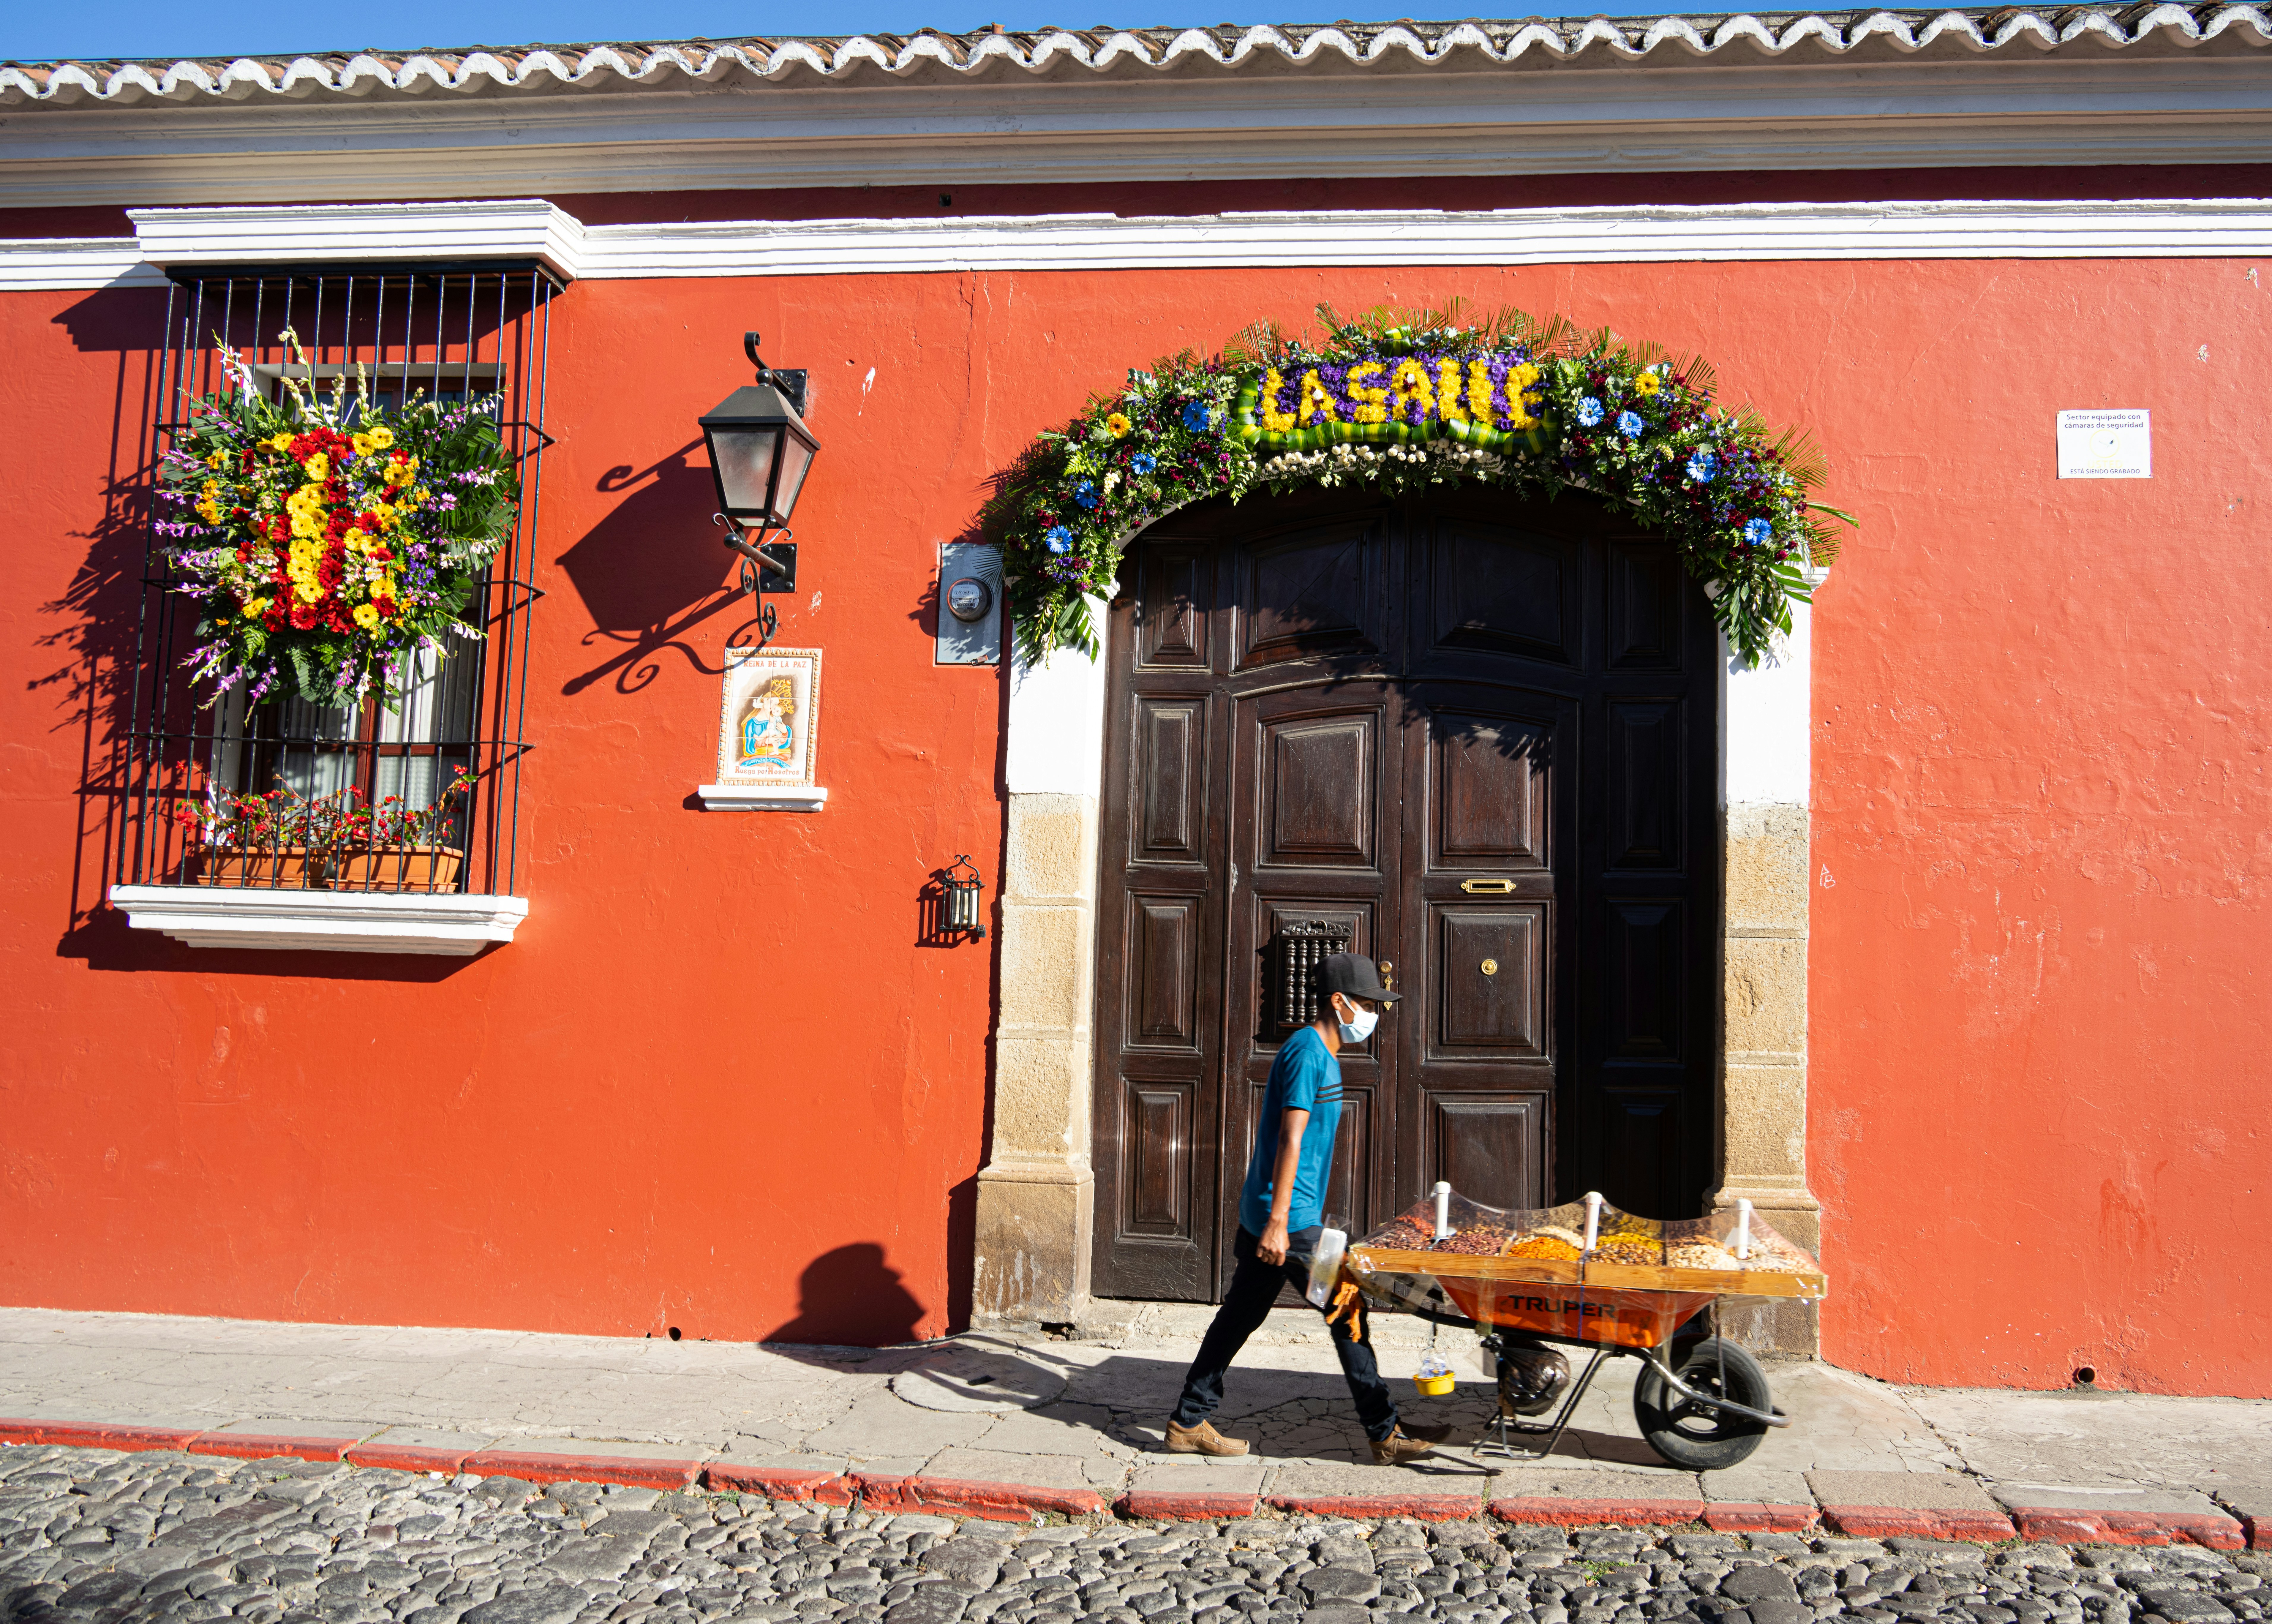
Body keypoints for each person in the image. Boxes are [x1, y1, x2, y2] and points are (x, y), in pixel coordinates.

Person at [1164, 952, 1451, 1466]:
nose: (1374, 1015)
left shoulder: (1322, 1052)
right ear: (1338, 1002)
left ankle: (1188, 1420)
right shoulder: (1308, 1053)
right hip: (1290, 1224)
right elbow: (1290, 1140)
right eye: (1367, 1004)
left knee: (1239, 1317)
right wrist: (1277, 1224)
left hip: (1283, 1218)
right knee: (1348, 1310)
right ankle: (1385, 1433)